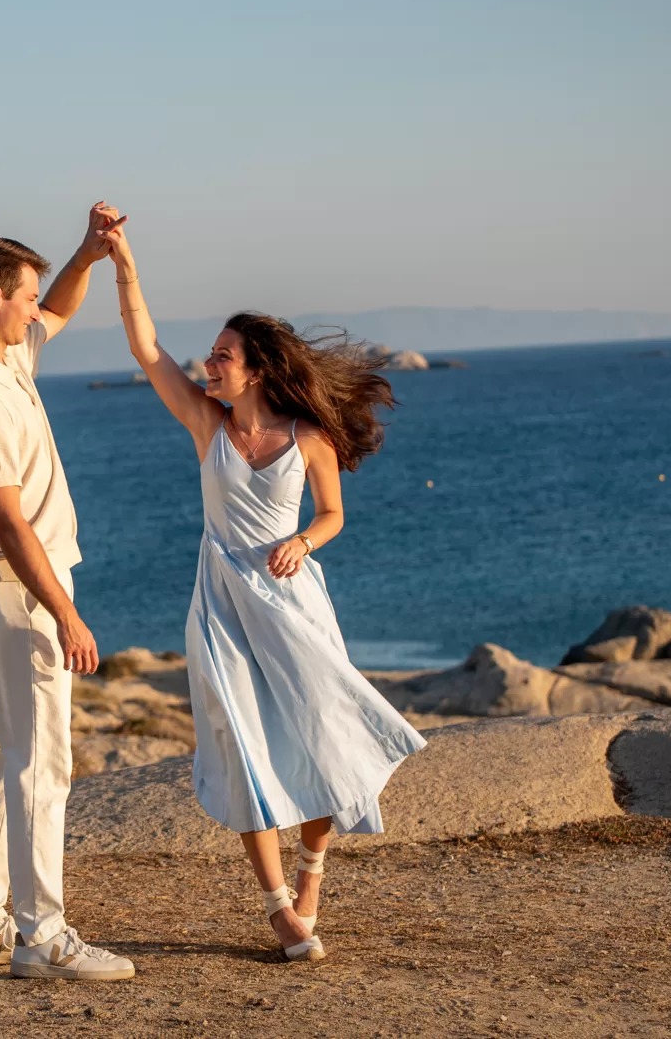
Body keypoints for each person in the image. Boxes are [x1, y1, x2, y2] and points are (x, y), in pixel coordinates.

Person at [98, 219, 427, 963]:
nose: (207, 363)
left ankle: (312, 866)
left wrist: (301, 541)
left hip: (292, 601)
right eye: (210, 355)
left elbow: (333, 514)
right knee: (244, 745)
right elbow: (144, 347)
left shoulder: (307, 436)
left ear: (255, 369)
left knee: (322, 735)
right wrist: (122, 262)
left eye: (222, 355)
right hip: (218, 603)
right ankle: (279, 909)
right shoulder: (203, 424)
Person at [0, 204, 135, 982]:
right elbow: (8, 518)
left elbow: (58, 307)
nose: (35, 310)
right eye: (23, 296)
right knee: (41, 766)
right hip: (18, 588)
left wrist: (87, 253)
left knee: (5, 756)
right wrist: (65, 609)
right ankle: (41, 936)